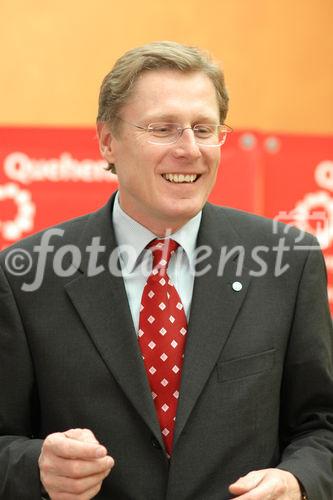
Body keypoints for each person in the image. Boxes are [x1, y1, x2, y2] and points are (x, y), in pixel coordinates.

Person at [0, 41, 332, 500]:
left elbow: (322, 427)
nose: (190, 150)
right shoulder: (25, 274)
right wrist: (33, 467)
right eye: (164, 129)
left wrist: (298, 482)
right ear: (107, 140)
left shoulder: (289, 261)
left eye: (204, 128)